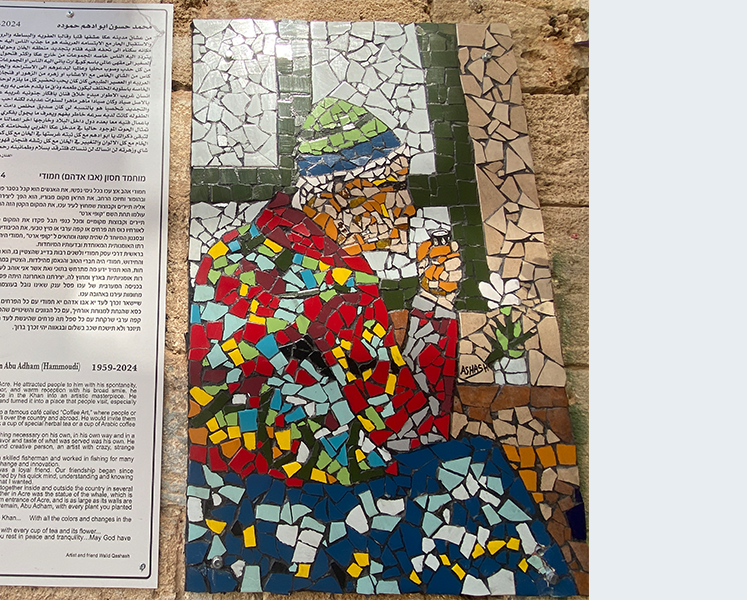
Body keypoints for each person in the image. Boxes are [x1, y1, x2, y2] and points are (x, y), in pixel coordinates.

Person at [185, 98, 575, 595]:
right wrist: (435, 303)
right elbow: (413, 430)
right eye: (391, 187)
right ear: (336, 196)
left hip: (222, 504)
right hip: (314, 513)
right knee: (478, 470)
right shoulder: (341, 288)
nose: (406, 207)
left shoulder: (229, 253)